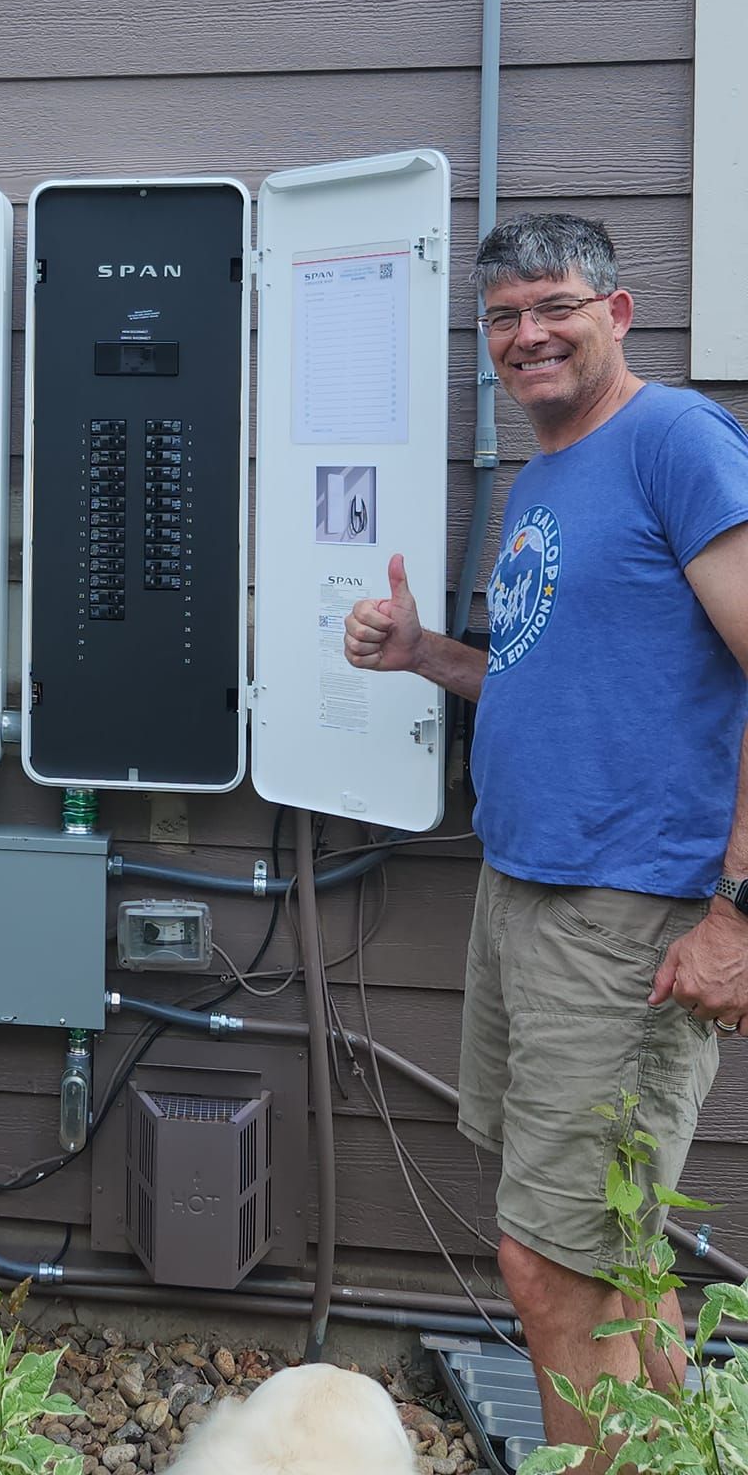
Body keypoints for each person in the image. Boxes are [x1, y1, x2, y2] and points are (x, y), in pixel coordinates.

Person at [343, 213, 748, 1461]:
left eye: (555, 306)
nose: (529, 335)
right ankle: (683, 1454)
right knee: (608, 1248)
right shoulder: (545, 477)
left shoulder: (674, 439)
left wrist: (739, 911)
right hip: (522, 891)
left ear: (618, 314)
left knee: (547, 1267)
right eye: (504, 318)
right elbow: (538, 675)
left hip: (631, 910)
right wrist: (423, 655)